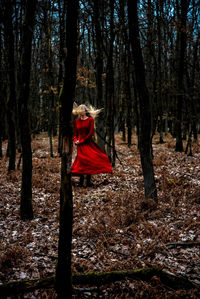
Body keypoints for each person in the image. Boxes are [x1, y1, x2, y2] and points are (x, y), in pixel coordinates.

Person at [71, 104, 112, 187]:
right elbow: (75, 133)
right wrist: (75, 140)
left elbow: (91, 133)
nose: (81, 112)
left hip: (88, 143)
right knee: (81, 161)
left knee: (89, 160)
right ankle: (81, 181)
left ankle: (88, 181)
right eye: (79, 110)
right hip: (80, 145)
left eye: (82, 110)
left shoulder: (90, 120)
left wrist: (82, 141)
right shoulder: (77, 121)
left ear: (86, 111)